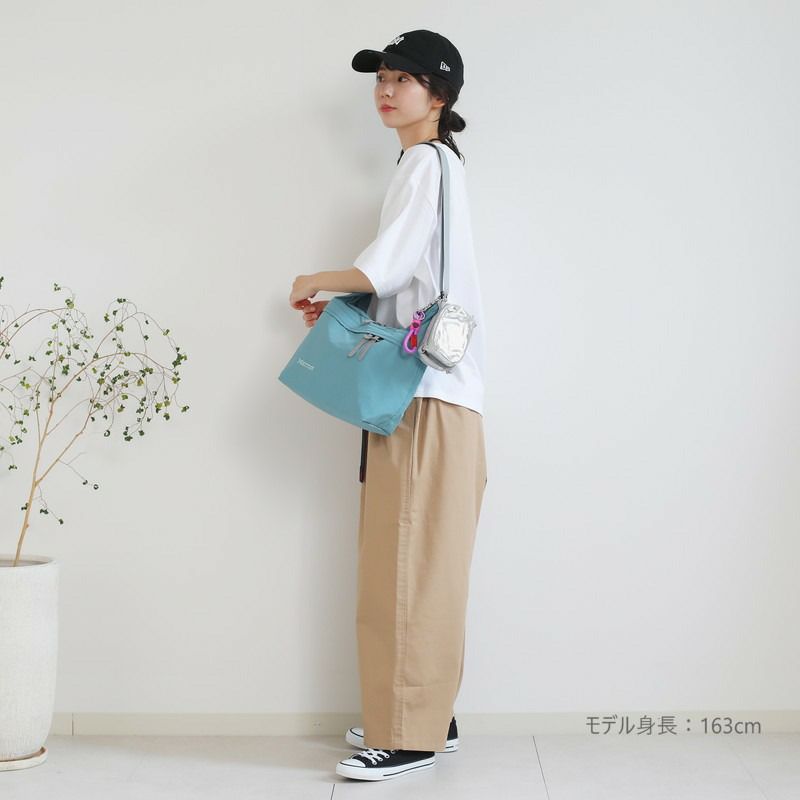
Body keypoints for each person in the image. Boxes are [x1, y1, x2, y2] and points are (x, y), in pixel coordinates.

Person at [288, 29, 487, 782]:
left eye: (403, 79)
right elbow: (405, 280)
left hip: (423, 396)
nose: (385, 89)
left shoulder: (425, 163)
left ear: (439, 95)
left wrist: (316, 277)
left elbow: (391, 266)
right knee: (423, 560)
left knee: (406, 561)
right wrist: (353, 300)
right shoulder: (436, 164)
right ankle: (428, 713)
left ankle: (408, 734)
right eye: (381, 77)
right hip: (435, 395)